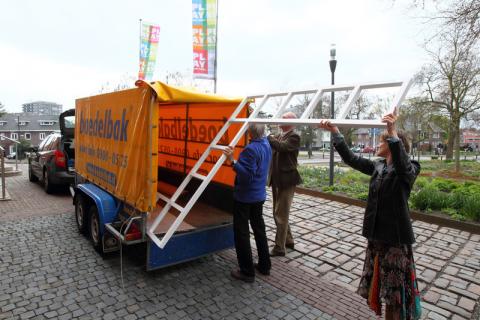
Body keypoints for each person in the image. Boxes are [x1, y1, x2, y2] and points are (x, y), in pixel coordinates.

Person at [318, 113, 421, 320]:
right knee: (380, 289)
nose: (377, 144)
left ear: (393, 144)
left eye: (382, 141)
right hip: (376, 239)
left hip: (394, 242)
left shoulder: (410, 168)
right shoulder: (379, 166)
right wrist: (336, 133)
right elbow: (351, 158)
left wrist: (392, 133)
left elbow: (402, 166)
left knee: (394, 296)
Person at [222, 123, 272, 283]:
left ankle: (247, 271)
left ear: (249, 133)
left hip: (245, 197)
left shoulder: (250, 150)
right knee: (259, 230)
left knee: (242, 233)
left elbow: (246, 176)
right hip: (259, 196)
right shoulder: (266, 144)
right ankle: (265, 265)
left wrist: (232, 161)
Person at [267, 111, 302, 257]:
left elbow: (282, 147)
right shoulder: (281, 135)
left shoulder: (294, 136)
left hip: (287, 180)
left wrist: (269, 137)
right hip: (277, 179)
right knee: (279, 212)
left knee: (280, 214)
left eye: (284, 118)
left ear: (292, 122)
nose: (280, 119)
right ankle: (288, 240)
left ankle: (279, 248)